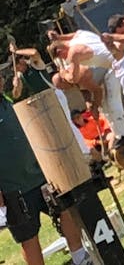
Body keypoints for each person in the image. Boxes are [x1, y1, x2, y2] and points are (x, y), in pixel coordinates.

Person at [0, 94, 94, 265]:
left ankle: (81, 258)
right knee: (28, 237)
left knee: (65, 212)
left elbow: (21, 91)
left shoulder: (9, 99)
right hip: (13, 189)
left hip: (43, 174)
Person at [47, 30, 124, 149]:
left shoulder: (76, 75)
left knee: (112, 105)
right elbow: (85, 90)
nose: (65, 90)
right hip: (98, 80)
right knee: (106, 110)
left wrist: (96, 107)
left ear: (64, 80)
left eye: (62, 87)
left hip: (109, 73)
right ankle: (120, 135)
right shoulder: (73, 79)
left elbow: (97, 91)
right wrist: (89, 103)